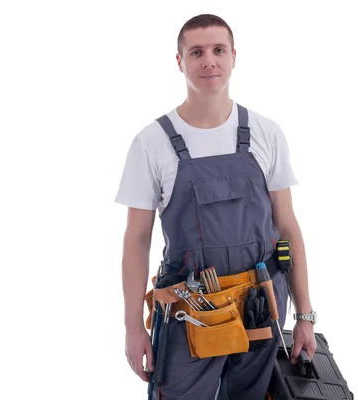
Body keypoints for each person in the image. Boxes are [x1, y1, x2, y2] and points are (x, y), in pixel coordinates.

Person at [114, 14, 317, 400]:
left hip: (261, 305)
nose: (209, 61)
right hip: (190, 313)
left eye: (218, 50)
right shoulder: (151, 143)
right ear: (180, 61)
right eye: (197, 52)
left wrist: (304, 315)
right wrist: (132, 328)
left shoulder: (265, 132)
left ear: (234, 57)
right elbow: (135, 242)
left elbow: (288, 228)